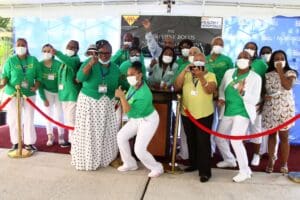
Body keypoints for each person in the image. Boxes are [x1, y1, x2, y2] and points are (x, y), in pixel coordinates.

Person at [72, 40, 125, 170]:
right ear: (97, 52)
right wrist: (90, 64)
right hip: (89, 102)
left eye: (108, 53)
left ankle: (105, 159)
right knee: (88, 132)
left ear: (112, 53)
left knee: (107, 132)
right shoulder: (90, 62)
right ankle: (87, 160)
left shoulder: (115, 68)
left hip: (107, 103)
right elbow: (79, 78)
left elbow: (121, 84)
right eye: (101, 52)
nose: (105, 55)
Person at [216, 51, 262, 182]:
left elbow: (254, 100)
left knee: (235, 140)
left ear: (250, 61)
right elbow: (222, 88)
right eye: (240, 57)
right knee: (219, 138)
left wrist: (243, 92)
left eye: (245, 57)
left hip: (242, 112)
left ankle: (245, 171)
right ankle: (230, 160)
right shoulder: (229, 73)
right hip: (228, 110)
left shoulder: (255, 78)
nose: (242, 59)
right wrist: (221, 98)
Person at [115, 61, 164, 178]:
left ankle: (157, 167)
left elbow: (128, 111)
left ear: (140, 75)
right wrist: (123, 97)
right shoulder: (134, 86)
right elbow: (129, 102)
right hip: (136, 118)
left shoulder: (144, 94)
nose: (129, 77)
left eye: (133, 74)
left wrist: (121, 97)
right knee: (121, 136)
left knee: (139, 149)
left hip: (148, 120)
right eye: (128, 75)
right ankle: (130, 163)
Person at [174, 53, 217, 182]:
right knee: (191, 140)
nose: (198, 62)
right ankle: (194, 164)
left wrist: (201, 77)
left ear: (205, 62)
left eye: (200, 60)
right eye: (195, 60)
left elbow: (210, 90)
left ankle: (205, 172)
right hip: (187, 113)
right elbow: (177, 86)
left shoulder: (210, 75)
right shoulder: (186, 74)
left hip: (204, 114)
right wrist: (183, 71)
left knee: (203, 142)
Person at [0, 38, 41, 151]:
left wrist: (36, 86)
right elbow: (5, 77)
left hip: (29, 94)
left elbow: (39, 76)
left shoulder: (33, 60)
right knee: (14, 119)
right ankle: (16, 142)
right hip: (13, 94)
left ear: (27, 47)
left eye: (23, 45)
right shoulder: (10, 61)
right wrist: (2, 84)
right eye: (19, 45)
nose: (21, 47)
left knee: (29, 118)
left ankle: (29, 143)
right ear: (15, 46)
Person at [262, 50, 298, 174]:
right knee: (271, 136)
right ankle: (271, 160)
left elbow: (287, 86)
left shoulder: (291, 72)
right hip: (270, 109)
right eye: (276, 58)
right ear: (272, 60)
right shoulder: (267, 74)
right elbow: (264, 90)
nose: (279, 60)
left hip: (285, 109)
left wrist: (280, 71)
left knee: (284, 137)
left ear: (286, 60)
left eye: (282, 58)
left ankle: (284, 163)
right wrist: (264, 96)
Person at [205, 36, 233, 157]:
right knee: (210, 122)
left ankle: (224, 152)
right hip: (208, 95)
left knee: (223, 124)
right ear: (211, 45)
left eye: (221, 44)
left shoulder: (227, 60)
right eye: (216, 43)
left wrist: (223, 94)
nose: (218, 46)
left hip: (224, 97)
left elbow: (232, 78)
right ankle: (210, 150)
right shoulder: (205, 59)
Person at [50, 40, 81, 147]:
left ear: (77, 50)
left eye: (73, 47)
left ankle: (74, 143)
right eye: (69, 46)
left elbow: (69, 61)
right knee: (68, 119)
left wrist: (57, 53)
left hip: (72, 95)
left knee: (72, 120)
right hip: (64, 95)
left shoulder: (75, 60)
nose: (70, 49)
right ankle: (71, 140)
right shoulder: (63, 62)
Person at [243, 41, 268, 166]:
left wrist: (263, 100)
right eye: (247, 48)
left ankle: (256, 155)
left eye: (252, 48)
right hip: (241, 100)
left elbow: (265, 83)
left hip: (256, 101)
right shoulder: (240, 61)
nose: (249, 50)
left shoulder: (261, 64)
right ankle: (240, 154)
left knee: (256, 128)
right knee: (241, 129)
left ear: (256, 51)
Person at [38, 44, 64, 146]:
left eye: (49, 51)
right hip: (46, 91)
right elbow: (39, 82)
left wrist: (62, 94)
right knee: (48, 114)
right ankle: (50, 135)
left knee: (59, 114)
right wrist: (43, 98)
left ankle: (61, 135)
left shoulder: (59, 64)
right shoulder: (39, 65)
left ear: (53, 53)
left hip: (58, 92)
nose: (46, 53)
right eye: (44, 51)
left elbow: (62, 81)